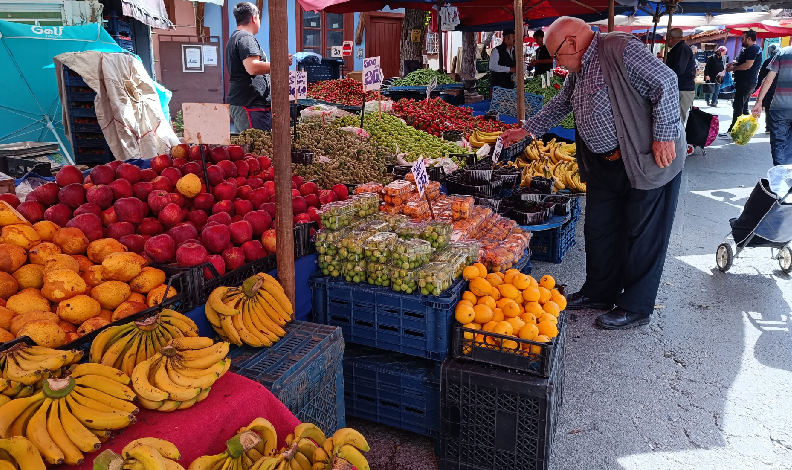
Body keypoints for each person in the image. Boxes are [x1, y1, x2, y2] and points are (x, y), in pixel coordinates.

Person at [501, 17, 685, 330]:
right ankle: (600, 291)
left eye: (557, 54)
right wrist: (528, 130)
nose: (556, 62)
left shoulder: (619, 48)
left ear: (571, 42)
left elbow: (665, 81)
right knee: (599, 229)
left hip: (643, 160)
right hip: (603, 164)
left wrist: (664, 133)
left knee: (642, 235)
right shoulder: (580, 67)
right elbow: (562, 103)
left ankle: (636, 306)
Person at [225, 2, 292, 132]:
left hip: (245, 102)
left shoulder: (235, 37)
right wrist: (280, 63)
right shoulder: (245, 38)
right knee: (255, 148)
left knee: (245, 149)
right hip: (250, 103)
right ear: (254, 18)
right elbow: (253, 68)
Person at [752, 45, 792, 165]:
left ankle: (780, 177)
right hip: (780, 108)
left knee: (779, 143)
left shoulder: (782, 53)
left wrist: (759, 102)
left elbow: (768, 79)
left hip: (780, 108)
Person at [725, 30, 762, 134]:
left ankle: (734, 130)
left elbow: (748, 65)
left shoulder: (753, 49)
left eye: (743, 38)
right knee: (743, 107)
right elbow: (744, 62)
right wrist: (734, 63)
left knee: (738, 106)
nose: (741, 41)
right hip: (747, 82)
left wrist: (733, 68)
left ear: (749, 39)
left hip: (746, 82)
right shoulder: (751, 49)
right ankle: (745, 130)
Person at [665, 28, 697, 123]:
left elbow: (678, 69)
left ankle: (679, 138)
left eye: (667, 39)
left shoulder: (682, 48)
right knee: (676, 119)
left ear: (670, 38)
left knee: (678, 120)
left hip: (683, 89)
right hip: (681, 88)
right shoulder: (679, 48)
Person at [757, 44, 779, 132]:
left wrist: (755, 88)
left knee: (768, 107)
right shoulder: (782, 60)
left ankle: (769, 127)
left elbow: (761, 76)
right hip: (780, 90)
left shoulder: (767, 61)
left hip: (769, 89)